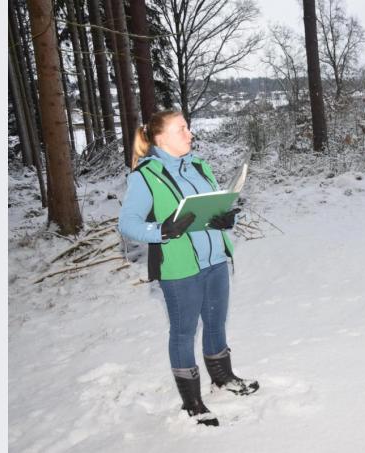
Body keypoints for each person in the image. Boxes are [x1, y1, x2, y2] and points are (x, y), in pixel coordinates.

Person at [118, 110, 259, 427]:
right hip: (179, 268)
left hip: (215, 261)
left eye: (188, 128)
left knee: (215, 323)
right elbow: (127, 224)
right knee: (183, 333)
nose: (189, 133)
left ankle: (223, 378)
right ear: (160, 138)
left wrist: (227, 217)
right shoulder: (144, 177)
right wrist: (161, 232)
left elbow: (214, 205)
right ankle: (192, 402)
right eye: (181, 129)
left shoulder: (199, 166)